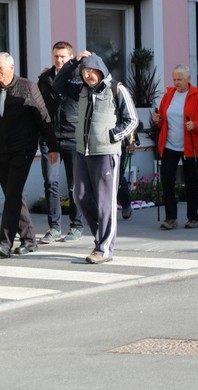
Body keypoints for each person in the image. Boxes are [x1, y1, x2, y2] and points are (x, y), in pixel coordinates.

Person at [53, 50, 138, 263]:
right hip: (83, 151)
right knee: (80, 196)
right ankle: (102, 235)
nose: (88, 75)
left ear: (101, 70)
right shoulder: (81, 90)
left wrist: (112, 136)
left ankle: (104, 249)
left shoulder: (116, 89)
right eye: (84, 72)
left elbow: (132, 120)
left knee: (105, 202)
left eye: (92, 71)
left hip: (106, 153)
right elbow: (58, 84)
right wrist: (74, 62)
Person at [0, 52, 59, 258]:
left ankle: (5, 242)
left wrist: (53, 147)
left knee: (13, 194)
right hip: (0, 151)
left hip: (23, 149)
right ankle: (29, 239)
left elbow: (43, 117)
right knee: (13, 195)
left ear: (12, 68)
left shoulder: (28, 87)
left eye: (0, 68)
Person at [151, 64, 198, 230]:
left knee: (191, 181)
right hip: (170, 144)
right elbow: (162, 118)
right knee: (167, 179)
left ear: (188, 79)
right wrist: (158, 119)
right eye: (174, 79)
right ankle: (170, 218)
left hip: (190, 145)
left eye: (180, 79)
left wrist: (195, 125)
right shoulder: (169, 95)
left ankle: (193, 217)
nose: (176, 82)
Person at [36, 41, 84, 243]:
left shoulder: (79, 77)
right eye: (56, 56)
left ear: (71, 57)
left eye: (63, 56)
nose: (59, 60)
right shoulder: (44, 79)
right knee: (51, 182)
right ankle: (54, 227)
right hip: (50, 139)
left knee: (74, 184)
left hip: (73, 136)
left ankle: (76, 226)